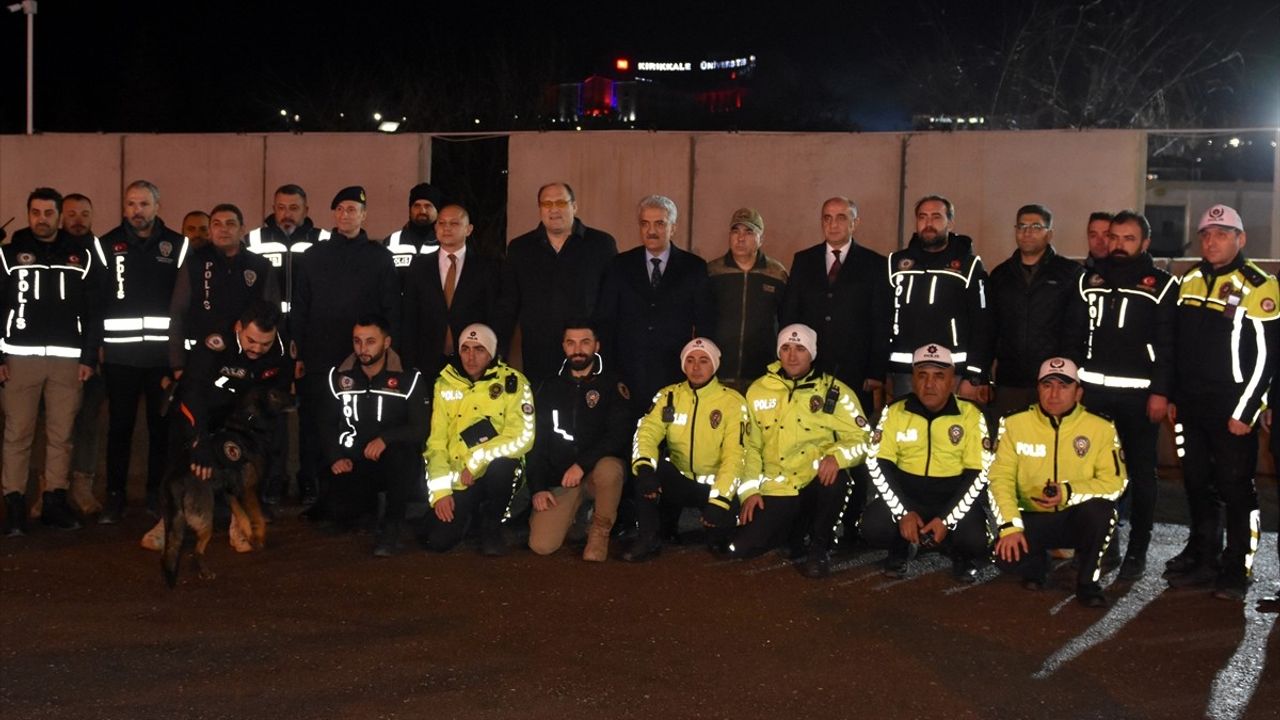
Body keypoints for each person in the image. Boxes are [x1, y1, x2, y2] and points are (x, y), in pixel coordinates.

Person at [1167, 204, 1279, 601]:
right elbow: (1178, 345)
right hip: (1192, 406)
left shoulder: (1259, 284)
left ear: (1240, 239)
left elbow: (1267, 358)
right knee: (1196, 483)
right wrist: (1176, 396)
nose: (1212, 241)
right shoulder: (1191, 279)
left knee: (1236, 490)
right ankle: (1203, 555)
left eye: (1222, 233)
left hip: (1232, 409)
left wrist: (1246, 411)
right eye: (1206, 235)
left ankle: (1237, 566)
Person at [141, 300, 294, 552]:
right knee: (181, 463)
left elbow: (275, 401)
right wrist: (198, 441)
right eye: (251, 340)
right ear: (238, 328)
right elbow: (192, 393)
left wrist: (254, 434)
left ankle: (239, 522)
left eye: (264, 344)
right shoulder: (216, 341)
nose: (256, 349)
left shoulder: (282, 350)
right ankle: (167, 522)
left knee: (247, 458)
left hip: (242, 416)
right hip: (200, 407)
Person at [1076, 210, 1176, 581]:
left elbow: (1168, 345)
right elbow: (1075, 335)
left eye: (1128, 238)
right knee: (1092, 471)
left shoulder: (1162, 285)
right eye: (1114, 237)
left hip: (1139, 398)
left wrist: (1161, 392)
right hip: (1094, 396)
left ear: (1145, 243)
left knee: (1140, 474)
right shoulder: (1089, 280)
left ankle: (1138, 549)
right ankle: (1102, 547)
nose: (1118, 244)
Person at [292, 186, 399, 518]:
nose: (346, 215)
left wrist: (386, 352)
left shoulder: (379, 257)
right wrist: (299, 353)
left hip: (363, 359)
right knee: (316, 422)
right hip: (320, 355)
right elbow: (300, 307)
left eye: (353, 209)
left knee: (359, 422)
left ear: (364, 215)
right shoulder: (313, 256)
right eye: (340, 209)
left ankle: (356, 492)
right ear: (333, 215)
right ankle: (312, 485)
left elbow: (391, 307)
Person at [734, 324, 870, 578]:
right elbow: (750, 447)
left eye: (800, 348)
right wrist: (750, 492)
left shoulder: (835, 392)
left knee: (838, 479)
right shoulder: (758, 390)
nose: (792, 356)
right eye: (785, 348)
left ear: (812, 353)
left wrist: (837, 457)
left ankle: (820, 546)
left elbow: (863, 438)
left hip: (814, 481)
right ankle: (796, 533)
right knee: (743, 547)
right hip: (778, 487)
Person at [1, 188, 100, 535]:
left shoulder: (81, 255)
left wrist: (89, 357)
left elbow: (93, 312)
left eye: (48, 213)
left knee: (62, 435)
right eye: (35, 212)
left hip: (67, 360)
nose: (41, 219)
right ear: (27, 214)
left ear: (60, 216)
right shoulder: (9, 254)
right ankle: (13, 504)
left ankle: (54, 501)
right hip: (19, 357)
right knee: (18, 434)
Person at [990, 357, 1126, 608]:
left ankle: (1087, 582)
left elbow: (1116, 483)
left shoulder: (1101, 427)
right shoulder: (1013, 423)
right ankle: (1036, 567)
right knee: (1001, 557)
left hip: (1072, 517)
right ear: (1038, 388)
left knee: (1103, 512)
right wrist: (1010, 526)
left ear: (1078, 393)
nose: (1054, 394)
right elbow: (1000, 478)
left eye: (1064, 386)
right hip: (1029, 517)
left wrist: (1068, 492)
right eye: (1047, 385)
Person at [96, 180, 190, 523]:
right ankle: (115, 495)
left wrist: (180, 355)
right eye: (132, 204)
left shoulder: (178, 246)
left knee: (160, 429)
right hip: (120, 358)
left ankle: (156, 494)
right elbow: (96, 302)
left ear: (157, 206)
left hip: (161, 359)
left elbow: (185, 307)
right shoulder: (105, 245)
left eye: (145, 204)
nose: (138, 210)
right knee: (119, 428)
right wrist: (97, 350)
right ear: (124, 207)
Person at [862, 344, 991, 581]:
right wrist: (903, 512)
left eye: (939, 376)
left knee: (977, 541)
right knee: (872, 527)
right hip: (908, 495)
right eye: (922, 375)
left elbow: (978, 474)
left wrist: (947, 519)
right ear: (913, 379)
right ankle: (903, 545)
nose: (929, 384)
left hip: (951, 497)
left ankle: (955, 550)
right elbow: (878, 466)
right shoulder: (894, 412)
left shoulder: (971, 415)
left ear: (952, 381)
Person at [624, 337, 748, 561]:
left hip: (713, 487)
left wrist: (720, 500)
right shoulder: (668, 396)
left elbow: (735, 456)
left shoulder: (732, 402)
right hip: (678, 478)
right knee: (644, 470)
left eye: (703, 360)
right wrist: (644, 468)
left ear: (714, 365)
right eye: (690, 360)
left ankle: (716, 526)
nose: (696, 367)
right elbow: (646, 432)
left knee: (721, 545)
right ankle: (648, 537)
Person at [595, 195, 715, 414]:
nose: (652, 231)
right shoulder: (620, 265)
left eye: (660, 223)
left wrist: (697, 369)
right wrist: (612, 372)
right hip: (628, 374)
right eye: (645, 224)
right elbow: (606, 321)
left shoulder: (693, 268)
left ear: (673, 227)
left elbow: (704, 324)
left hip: (675, 371)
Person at [320, 315, 428, 556]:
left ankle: (392, 528)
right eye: (357, 341)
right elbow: (326, 423)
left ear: (386, 342)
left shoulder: (408, 378)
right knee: (338, 512)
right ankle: (368, 511)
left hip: (395, 459)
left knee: (400, 458)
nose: (362, 348)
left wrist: (386, 439)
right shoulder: (338, 377)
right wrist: (335, 457)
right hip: (355, 459)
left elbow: (420, 427)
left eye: (370, 341)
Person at [246, 184, 326, 506]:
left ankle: (309, 480)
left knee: (311, 418)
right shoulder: (254, 240)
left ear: (306, 210)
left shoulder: (322, 241)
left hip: (309, 340)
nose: (286, 214)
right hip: (270, 343)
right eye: (281, 207)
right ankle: (273, 483)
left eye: (294, 208)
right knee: (271, 417)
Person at [424, 324, 534, 555]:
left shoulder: (513, 383)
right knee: (438, 542)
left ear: (492, 352)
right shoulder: (444, 384)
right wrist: (441, 493)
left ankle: (491, 526)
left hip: (494, 471)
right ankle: (469, 517)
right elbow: (436, 443)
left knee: (503, 466)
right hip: (459, 478)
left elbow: (522, 437)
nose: (471, 357)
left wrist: (476, 462)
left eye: (479, 349)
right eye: (465, 348)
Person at [526, 321, 631, 561]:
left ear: (596, 345)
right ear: (563, 346)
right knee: (542, 545)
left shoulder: (612, 385)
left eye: (585, 342)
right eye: (571, 343)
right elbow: (536, 442)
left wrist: (582, 464)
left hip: (595, 474)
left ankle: (599, 531)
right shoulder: (547, 387)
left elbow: (618, 435)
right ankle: (579, 514)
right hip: (562, 479)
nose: (578, 349)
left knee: (610, 469)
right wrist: (539, 488)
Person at [497, 182, 617, 384]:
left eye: (561, 202)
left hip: (587, 355)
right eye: (547, 203)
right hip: (539, 354)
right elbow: (508, 303)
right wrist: (498, 349)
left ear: (574, 206)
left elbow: (612, 302)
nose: (554, 209)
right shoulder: (520, 249)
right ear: (540, 209)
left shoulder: (601, 245)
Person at [779, 197, 889, 414]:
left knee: (852, 431)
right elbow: (790, 312)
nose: (833, 224)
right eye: (827, 218)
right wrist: (788, 359)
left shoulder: (875, 264)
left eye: (841, 218)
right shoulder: (803, 260)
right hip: (810, 365)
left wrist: (876, 370)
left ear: (854, 223)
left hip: (855, 368)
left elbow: (881, 320)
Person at [886, 195, 993, 403]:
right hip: (905, 373)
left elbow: (984, 324)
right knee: (907, 430)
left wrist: (974, 375)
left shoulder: (969, 266)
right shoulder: (896, 264)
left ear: (950, 222)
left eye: (936, 217)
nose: (928, 223)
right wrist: (884, 371)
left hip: (954, 372)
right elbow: (883, 318)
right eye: (922, 217)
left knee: (952, 432)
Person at [988, 203, 1085, 417]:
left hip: (1054, 381)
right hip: (1010, 379)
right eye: (1022, 226)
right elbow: (989, 329)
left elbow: (1075, 329)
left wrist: (1067, 375)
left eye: (1036, 227)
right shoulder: (1000, 275)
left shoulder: (1070, 274)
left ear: (1049, 234)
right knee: (1008, 440)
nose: (1027, 232)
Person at [168, 204, 278, 372]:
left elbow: (273, 315)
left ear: (242, 229)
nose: (223, 229)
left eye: (230, 224)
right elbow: (178, 313)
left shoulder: (261, 265)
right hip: (202, 359)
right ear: (210, 230)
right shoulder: (194, 264)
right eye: (217, 224)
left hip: (249, 361)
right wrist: (177, 363)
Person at [400, 204, 500, 380]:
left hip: (471, 361)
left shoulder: (486, 267)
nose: (446, 228)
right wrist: (408, 359)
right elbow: (409, 315)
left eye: (454, 223)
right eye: (441, 223)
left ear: (468, 229)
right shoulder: (419, 266)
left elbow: (493, 313)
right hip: (426, 360)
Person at [707, 207, 788, 392]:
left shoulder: (776, 273)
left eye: (749, 232)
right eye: (735, 231)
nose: (740, 238)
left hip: (763, 375)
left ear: (761, 239)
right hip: (719, 372)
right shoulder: (712, 272)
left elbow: (786, 320)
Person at [62, 193, 104, 515]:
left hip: (94, 357)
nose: (77, 219)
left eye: (84, 214)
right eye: (71, 213)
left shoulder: (102, 253)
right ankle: (53, 489)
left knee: (87, 422)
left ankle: (82, 487)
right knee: (55, 428)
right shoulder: (49, 251)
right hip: (56, 356)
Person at [385, 182, 442, 282]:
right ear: (410, 210)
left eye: (428, 206)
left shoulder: (445, 242)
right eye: (417, 205)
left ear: (437, 211)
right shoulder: (391, 242)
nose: (422, 210)